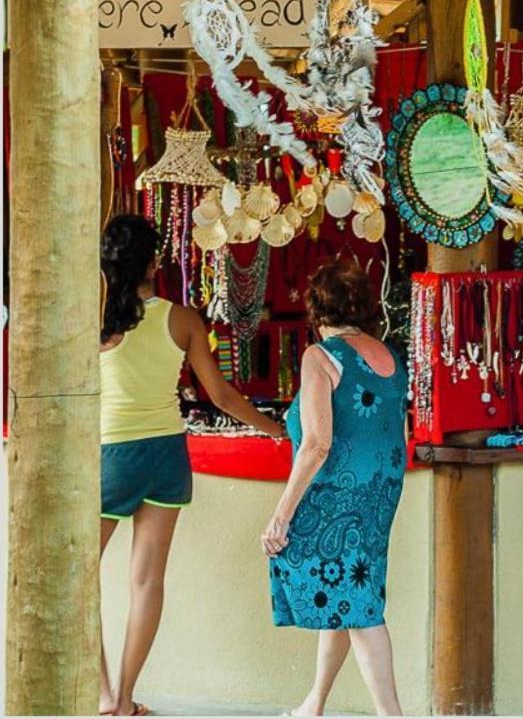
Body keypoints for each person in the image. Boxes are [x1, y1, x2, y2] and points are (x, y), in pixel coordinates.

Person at [99, 215, 285, 717]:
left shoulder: (92, 319)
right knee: (147, 581)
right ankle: (122, 699)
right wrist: (276, 430)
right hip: (164, 455)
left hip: (108, 455)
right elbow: (221, 395)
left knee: (78, 576)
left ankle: (98, 694)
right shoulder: (181, 319)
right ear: (155, 264)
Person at [262, 259, 409, 717]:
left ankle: (392, 715)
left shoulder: (320, 357)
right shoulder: (388, 356)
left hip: (335, 495)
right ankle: (315, 702)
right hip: (379, 491)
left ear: (315, 311)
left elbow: (316, 444)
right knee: (346, 591)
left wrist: (282, 514)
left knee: (359, 606)